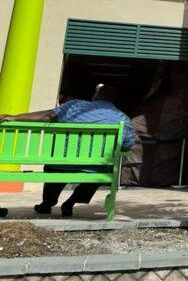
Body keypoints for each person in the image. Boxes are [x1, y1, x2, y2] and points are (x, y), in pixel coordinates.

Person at [0, 84, 135, 217]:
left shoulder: (75, 106)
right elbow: (127, 145)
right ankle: (71, 202)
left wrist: (14, 117)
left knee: (56, 166)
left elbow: (48, 116)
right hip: (95, 167)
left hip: (61, 162)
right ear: (114, 99)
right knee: (104, 171)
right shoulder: (123, 118)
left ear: (96, 95)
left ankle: (47, 204)